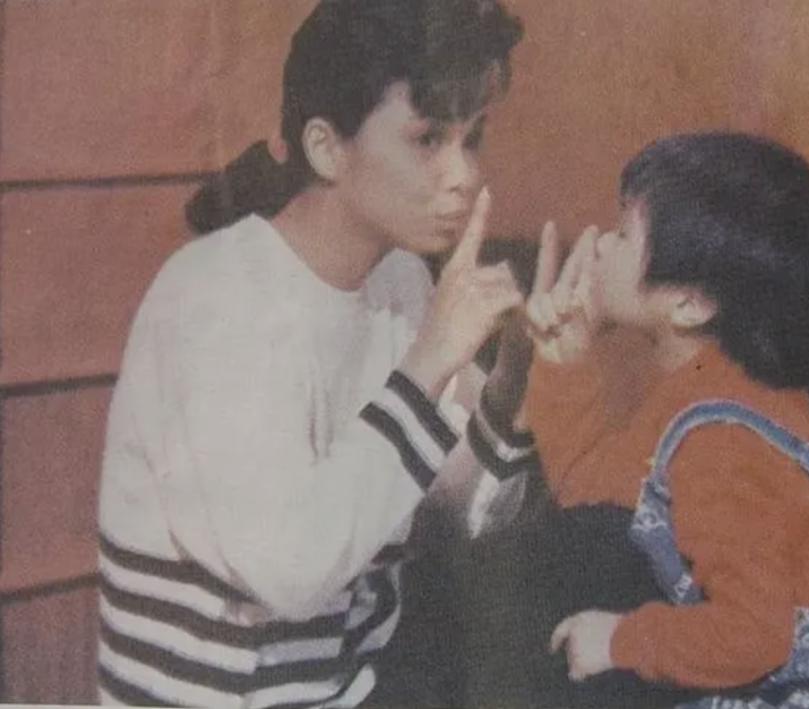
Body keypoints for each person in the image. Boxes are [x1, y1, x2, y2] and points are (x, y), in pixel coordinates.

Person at [96, 1, 536, 706]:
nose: (463, 175)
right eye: (427, 139)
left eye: (472, 138)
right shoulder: (219, 297)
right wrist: (427, 363)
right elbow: (292, 570)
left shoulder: (401, 281)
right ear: (327, 148)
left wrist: (510, 382)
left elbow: (468, 513)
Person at [517, 132, 809, 707]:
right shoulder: (706, 396)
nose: (595, 245)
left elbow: (754, 634)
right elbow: (595, 498)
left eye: (622, 234)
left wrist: (621, 640)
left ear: (691, 303)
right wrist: (565, 363)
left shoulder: (724, 437)